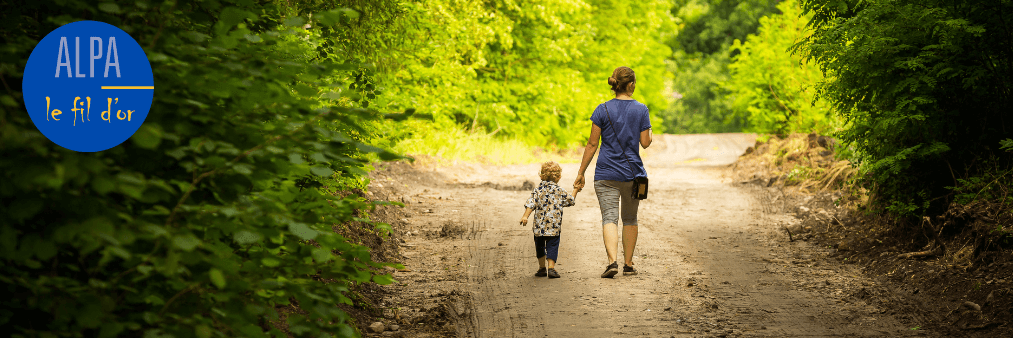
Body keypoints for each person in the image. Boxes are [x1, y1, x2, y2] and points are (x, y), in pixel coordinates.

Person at [572, 66, 653, 278]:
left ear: (614, 84)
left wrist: (581, 172)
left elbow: (591, 144)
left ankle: (612, 262)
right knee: (630, 218)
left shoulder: (602, 109)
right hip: (632, 174)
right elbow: (645, 143)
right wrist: (649, 132)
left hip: (606, 173)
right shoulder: (641, 109)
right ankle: (628, 264)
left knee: (609, 217)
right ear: (632, 84)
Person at [519, 161, 578, 279]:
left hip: (539, 227)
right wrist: (575, 189)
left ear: (541, 176)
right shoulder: (560, 191)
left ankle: (541, 269)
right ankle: (551, 268)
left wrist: (525, 216)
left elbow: (531, 204)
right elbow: (571, 200)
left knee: (539, 246)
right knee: (552, 246)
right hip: (554, 227)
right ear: (559, 177)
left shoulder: (537, 190)